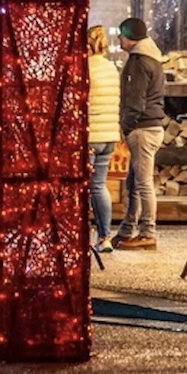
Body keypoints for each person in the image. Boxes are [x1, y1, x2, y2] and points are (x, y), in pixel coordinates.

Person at [112, 17, 165, 250]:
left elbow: (135, 100)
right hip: (150, 126)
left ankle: (147, 233)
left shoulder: (138, 62)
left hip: (142, 128)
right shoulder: (153, 57)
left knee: (142, 183)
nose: (119, 40)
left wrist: (127, 126)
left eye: (120, 36)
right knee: (133, 182)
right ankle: (127, 229)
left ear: (128, 37)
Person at [87, 25, 121, 253]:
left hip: (90, 135)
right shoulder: (111, 67)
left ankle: (83, 231)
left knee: (85, 187)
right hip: (109, 134)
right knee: (99, 185)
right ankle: (105, 237)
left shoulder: (84, 68)